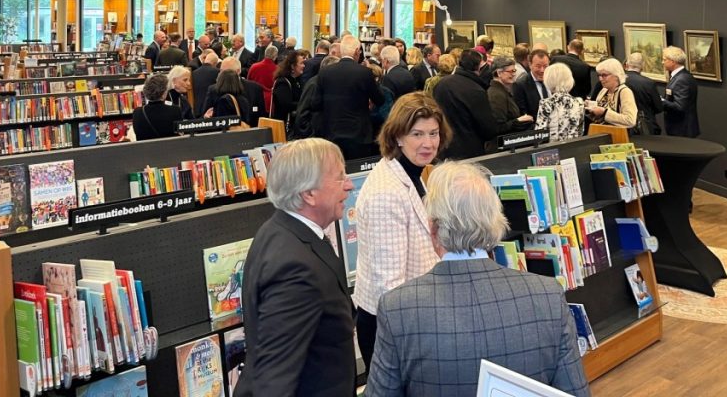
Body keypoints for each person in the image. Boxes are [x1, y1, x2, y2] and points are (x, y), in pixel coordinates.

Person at [365, 160, 591, 397]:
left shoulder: (397, 307)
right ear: (496, 223)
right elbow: (574, 391)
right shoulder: (547, 295)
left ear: (433, 229)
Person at [236, 138, 356, 397]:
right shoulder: (295, 269)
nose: (349, 185)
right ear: (308, 194)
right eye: (339, 177)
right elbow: (274, 378)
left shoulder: (279, 230)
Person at [354, 93, 447, 370]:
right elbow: (390, 286)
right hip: (394, 328)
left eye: (433, 133)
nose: (428, 143)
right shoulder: (386, 193)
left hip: (412, 315)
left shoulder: (411, 173)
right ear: (397, 136)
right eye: (417, 134)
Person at [312, 35, 385, 160]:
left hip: (331, 132)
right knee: (357, 168)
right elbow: (380, 100)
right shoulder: (364, 72)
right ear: (357, 51)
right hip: (359, 134)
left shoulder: (325, 72)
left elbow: (315, 103)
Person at [432, 49, 498, 158]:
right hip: (470, 150)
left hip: (444, 146)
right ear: (478, 67)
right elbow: (488, 129)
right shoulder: (476, 90)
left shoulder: (441, 84)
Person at [201, 56, 266, 126]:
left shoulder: (254, 88)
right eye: (221, 71)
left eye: (227, 72)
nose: (222, 75)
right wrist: (206, 117)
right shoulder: (214, 89)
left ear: (238, 71)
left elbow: (261, 117)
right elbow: (204, 116)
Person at [290, 55, 340, 139]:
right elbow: (302, 114)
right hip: (312, 137)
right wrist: (311, 134)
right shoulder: (315, 84)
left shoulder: (323, 83)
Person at [534, 63, 586, 143]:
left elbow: (539, 136)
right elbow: (581, 131)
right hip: (574, 146)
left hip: (553, 148)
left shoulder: (546, 103)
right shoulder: (579, 102)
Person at [131, 72, 185, 140]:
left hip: (146, 147)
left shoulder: (137, 112)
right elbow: (179, 134)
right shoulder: (175, 110)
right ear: (163, 94)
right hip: (169, 146)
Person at [587, 57, 637, 129]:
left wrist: (604, 112)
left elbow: (630, 120)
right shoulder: (604, 90)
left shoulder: (625, 92)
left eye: (604, 75)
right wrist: (590, 107)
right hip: (601, 131)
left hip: (617, 134)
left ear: (616, 75)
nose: (600, 79)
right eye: (599, 75)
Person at [486, 56, 531, 136]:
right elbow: (498, 127)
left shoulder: (501, 91)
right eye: (511, 71)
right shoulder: (496, 95)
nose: (514, 74)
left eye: (514, 71)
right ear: (499, 73)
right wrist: (518, 121)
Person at [662, 46, 700, 137]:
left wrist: (662, 101)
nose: (662, 62)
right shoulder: (679, 76)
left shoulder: (682, 79)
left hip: (682, 129)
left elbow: (680, 107)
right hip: (678, 128)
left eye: (664, 59)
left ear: (673, 61)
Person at [625, 52, 664, 135]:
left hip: (623, 125)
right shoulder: (649, 83)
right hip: (645, 127)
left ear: (627, 64)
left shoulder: (618, 80)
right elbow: (658, 108)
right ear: (643, 65)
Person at [512, 47, 551, 125]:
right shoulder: (521, 85)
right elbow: (523, 114)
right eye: (538, 66)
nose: (542, 70)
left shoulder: (553, 80)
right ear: (530, 65)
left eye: (545, 66)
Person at [271, 49, 307, 129]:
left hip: (294, 124)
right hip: (284, 125)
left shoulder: (297, 80)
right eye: (301, 63)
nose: (304, 66)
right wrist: (304, 104)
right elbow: (286, 105)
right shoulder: (283, 82)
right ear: (292, 66)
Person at [248, 45, 278, 115]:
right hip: (269, 102)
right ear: (275, 56)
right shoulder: (277, 69)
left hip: (254, 99)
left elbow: (248, 82)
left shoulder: (254, 67)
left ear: (265, 54)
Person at [192, 50, 220, 115]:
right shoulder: (217, 72)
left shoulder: (193, 73)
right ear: (215, 63)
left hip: (196, 107)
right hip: (210, 109)